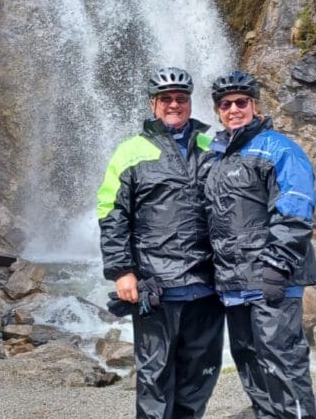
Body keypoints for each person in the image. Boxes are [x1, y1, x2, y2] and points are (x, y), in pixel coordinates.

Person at [96, 67, 225, 419]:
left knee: (200, 375)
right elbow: (112, 213)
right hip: (157, 286)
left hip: (207, 285)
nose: (173, 104)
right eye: (165, 98)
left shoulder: (211, 147)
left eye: (181, 99)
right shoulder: (131, 151)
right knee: (154, 376)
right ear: (153, 104)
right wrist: (122, 271)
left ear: (189, 103)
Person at [204, 71, 316, 419]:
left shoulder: (278, 148)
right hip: (233, 281)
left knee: (282, 358)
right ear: (217, 111)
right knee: (250, 361)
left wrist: (277, 265)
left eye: (241, 102)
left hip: (272, 277)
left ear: (255, 105)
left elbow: (295, 207)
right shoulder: (217, 159)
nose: (234, 109)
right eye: (226, 104)